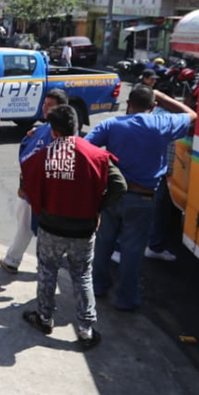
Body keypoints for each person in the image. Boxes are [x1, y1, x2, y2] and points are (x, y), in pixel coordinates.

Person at [20, 104, 126, 349]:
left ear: (53, 131)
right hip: (84, 228)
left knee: (47, 271)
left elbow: (26, 181)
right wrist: (97, 207)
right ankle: (86, 329)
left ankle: (45, 317)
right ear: (76, 127)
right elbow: (119, 185)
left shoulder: (42, 156)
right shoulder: (95, 154)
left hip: (51, 227)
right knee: (82, 275)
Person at [86, 85, 197, 311]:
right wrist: (164, 97)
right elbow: (192, 116)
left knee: (104, 243)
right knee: (132, 251)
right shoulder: (162, 124)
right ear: (153, 106)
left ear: (129, 104)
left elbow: (86, 148)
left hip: (111, 195)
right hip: (143, 198)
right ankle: (126, 299)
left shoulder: (112, 124)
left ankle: (98, 287)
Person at [0, 88, 68, 273]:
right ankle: (14, 260)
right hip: (32, 190)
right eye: (45, 104)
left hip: (45, 193)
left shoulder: (60, 133)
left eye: (50, 105)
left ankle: (15, 260)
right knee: (26, 224)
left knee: (33, 228)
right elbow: (26, 157)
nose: (45, 108)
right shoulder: (40, 130)